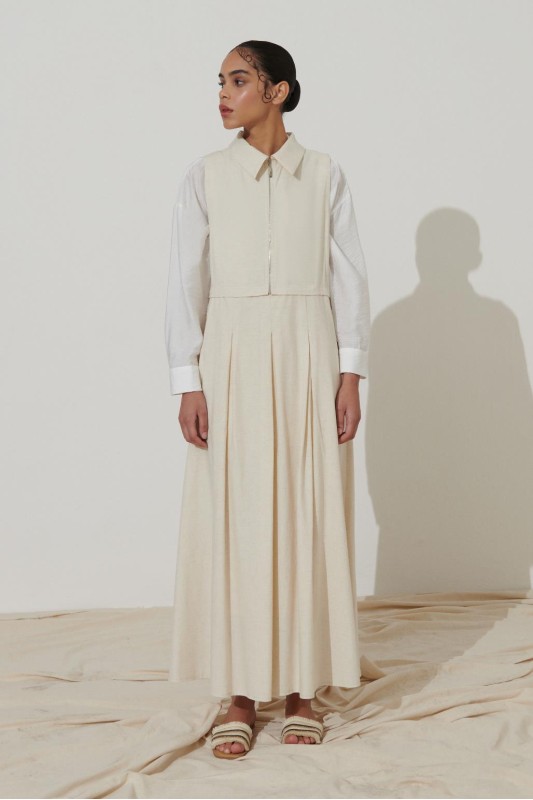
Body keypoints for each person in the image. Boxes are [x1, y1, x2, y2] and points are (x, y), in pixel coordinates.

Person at [164, 40, 371, 759]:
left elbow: (349, 276)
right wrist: (187, 380)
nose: (223, 94)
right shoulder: (205, 176)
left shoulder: (325, 173)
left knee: (309, 510)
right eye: (220, 82)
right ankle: (239, 693)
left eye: (238, 80)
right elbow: (183, 280)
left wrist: (351, 373)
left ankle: (303, 690)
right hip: (231, 354)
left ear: (277, 91)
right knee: (237, 516)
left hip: (309, 349)